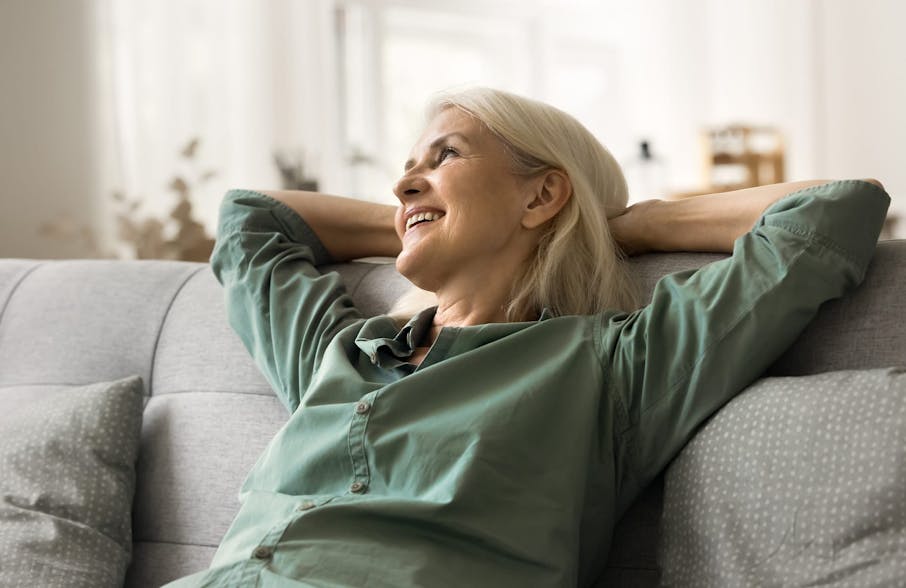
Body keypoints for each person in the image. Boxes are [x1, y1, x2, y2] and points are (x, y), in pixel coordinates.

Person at [165, 87, 889, 587]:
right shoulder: (343, 355)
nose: (402, 186)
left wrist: (624, 225)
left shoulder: (609, 366)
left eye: (444, 156)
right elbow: (250, 221)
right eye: (408, 169)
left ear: (543, 194)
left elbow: (833, 213)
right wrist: (428, 215)